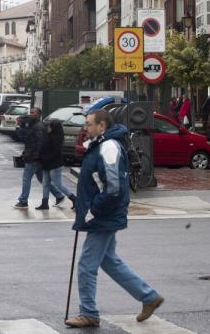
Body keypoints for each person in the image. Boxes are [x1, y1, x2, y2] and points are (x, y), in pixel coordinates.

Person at [65, 110, 164, 328]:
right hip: (105, 214)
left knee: (86, 266)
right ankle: (148, 296)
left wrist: (92, 211)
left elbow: (113, 188)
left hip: (103, 216)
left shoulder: (109, 147)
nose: (85, 128)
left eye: (89, 124)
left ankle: (89, 312)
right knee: (109, 261)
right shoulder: (102, 144)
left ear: (102, 126)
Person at [37, 119, 76, 210]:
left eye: (50, 126)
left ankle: (74, 198)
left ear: (54, 127)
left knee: (58, 184)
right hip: (47, 164)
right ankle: (44, 203)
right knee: (45, 183)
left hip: (54, 165)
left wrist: (44, 158)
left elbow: (54, 152)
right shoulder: (49, 136)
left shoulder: (56, 138)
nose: (48, 127)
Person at [12, 107, 45, 209]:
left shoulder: (38, 126)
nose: (31, 114)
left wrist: (35, 157)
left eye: (33, 113)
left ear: (38, 115)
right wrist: (25, 152)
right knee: (43, 180)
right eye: (30, 112)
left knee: (26, 179)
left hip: (33, 158)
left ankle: (23, 201)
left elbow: (40, 143)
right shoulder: (33, 125)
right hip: (32, 156)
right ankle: (59, 195)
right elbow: (30, 142)